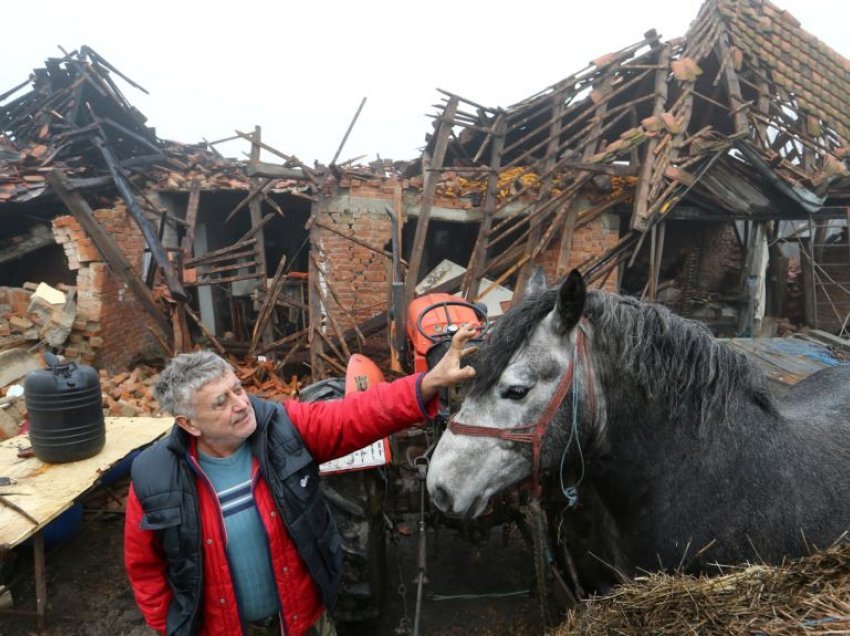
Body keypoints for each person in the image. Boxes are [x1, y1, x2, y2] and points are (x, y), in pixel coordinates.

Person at [124, 324, 477, 636]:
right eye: (221, 402)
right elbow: (145, 569)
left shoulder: (282, 428)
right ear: (189, 424)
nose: (241, 403)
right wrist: (169, 626)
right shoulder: (154, 477)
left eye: (237, 389)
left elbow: (355, 414)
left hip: (303, 620)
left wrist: (429, 382)